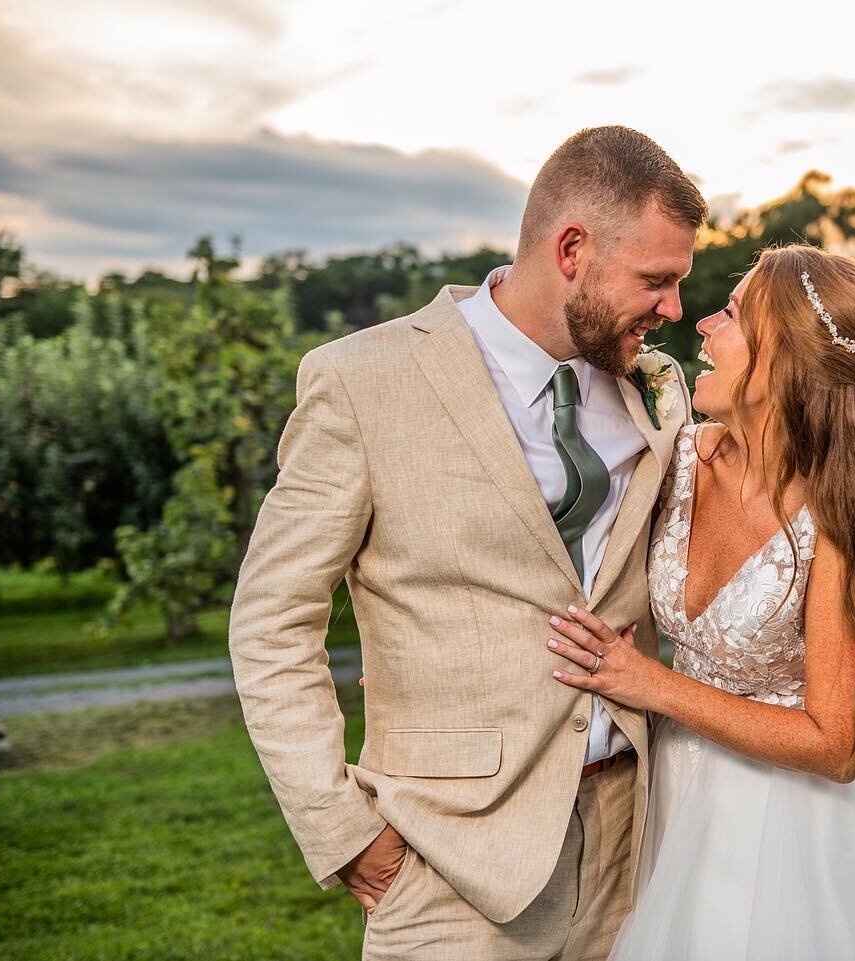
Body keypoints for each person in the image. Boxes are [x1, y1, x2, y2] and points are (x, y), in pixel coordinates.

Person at [228, 125, 705, 960]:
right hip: (447, 867)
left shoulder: (654, 386)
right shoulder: (361, 382)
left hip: (635, 843)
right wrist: (341, 826)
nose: (673, 310)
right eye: (656, 280)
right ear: (571, 249)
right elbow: (272, 620)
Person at [544, 244, 855, 960]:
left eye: (731, 314)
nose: (700, 323)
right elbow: (556, 550)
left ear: (788, 358)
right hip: (664, 801)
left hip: (796, 830)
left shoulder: (844, 519)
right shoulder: (675, 458)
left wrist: (649, 682)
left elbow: (837, 743)